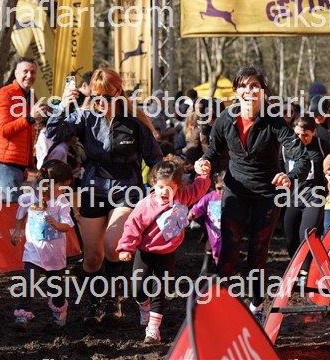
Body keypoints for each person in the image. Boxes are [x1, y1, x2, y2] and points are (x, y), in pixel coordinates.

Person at [195, 65, 310, 326]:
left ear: (262, 91)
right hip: (235, 189)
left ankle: (257, 307)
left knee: (258, 251)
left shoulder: (273, 121)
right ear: (236, 92)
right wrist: (205, 161)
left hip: (267, 193)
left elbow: (301, 156)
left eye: (255, 86)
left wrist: (290, 177)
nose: (249, 92)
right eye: (244, 87)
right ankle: (219, 304)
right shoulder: (226, 119)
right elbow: (213, 150)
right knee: (228, 249)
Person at [46, 68, 163, 323]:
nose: (100, 102)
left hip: (126, 188)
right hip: (93, 188)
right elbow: (53, 133)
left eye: (106, 97)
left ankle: (113, 298)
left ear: (118, 93)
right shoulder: (86, 117)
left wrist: (160, 190)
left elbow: (155, 159)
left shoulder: (134, 122)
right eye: (96, 96)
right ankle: (94, 301)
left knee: (112, 246)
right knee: (92, 258)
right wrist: (62, 106)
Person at [116, 159, 211, 344]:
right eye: (161, 187)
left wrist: (203, 173)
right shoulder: (146, 205)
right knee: (138, 289)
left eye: (170, 188)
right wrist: (126, 247)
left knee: (159, 289)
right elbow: (132, 226)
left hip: (167, 253)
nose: (165, 192)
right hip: (145, 252)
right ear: (153, 183)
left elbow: (198, 189)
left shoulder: (182, 197)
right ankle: (144, 306)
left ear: (178, 186)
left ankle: (153, 329)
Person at [10, 160, 74, 330]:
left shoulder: (62, 202)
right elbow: (20, 214)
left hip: (55, 255)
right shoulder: (29, 198)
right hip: (34, 252)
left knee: (56, 287)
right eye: (63, 186)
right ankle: (23, 314)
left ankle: (59, 310)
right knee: (29, 283)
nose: (64, 190)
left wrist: (56, 224)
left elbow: (67, 226)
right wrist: (17, 231)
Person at [282, 116, 330, 281]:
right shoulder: (286, 147)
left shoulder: (321, 146)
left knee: (306, 235)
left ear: (313, 133)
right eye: (297, 134)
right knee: (290, 238)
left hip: (315, 198)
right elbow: (276, 167)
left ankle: (305, 272)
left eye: (305, 135)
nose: (301, 138)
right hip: (293, 198)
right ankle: (296, 267)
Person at [0, 58, 46, 203]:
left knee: (14, 207)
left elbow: (28, 133)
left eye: (33, 72)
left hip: (18, 164)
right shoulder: (4, 94)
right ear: (16, 73)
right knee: (9, 207)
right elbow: (4, 130)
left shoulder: (31, 96)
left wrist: (27, 164)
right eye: (25, 71)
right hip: (4, 162)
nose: (29, 76)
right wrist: (30, 118)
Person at [188, 172, 225, 276]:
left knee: (224, 253)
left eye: (225, 188)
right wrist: (193, 213)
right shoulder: (210, 197)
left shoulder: (230, 198)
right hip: (213, 231)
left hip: (226, 232)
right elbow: (199, 207)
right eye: (219, 188)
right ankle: (208, 269)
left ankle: (221, 272)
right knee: (213, 247)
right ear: (215, 185)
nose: (222, 191)